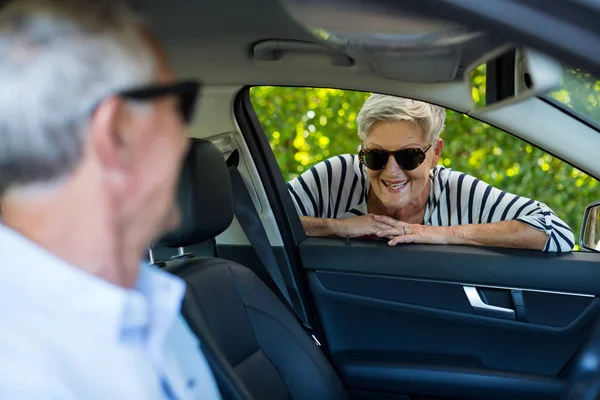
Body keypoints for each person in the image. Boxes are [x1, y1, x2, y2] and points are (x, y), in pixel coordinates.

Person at [0, 1, 221, 398]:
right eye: (180, 106)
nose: (184, 142)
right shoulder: (22, 377)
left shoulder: (149, 299)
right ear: (117, 132)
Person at [287, 94, 575, 252]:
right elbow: (259, 219)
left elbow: (554, 230)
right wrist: (339, 227)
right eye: (375, 155)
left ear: (435, 153)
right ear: (362, 148)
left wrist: (437, 235)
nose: (391, 171)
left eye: (409, 156)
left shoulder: (457, 191)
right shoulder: (339, 176)